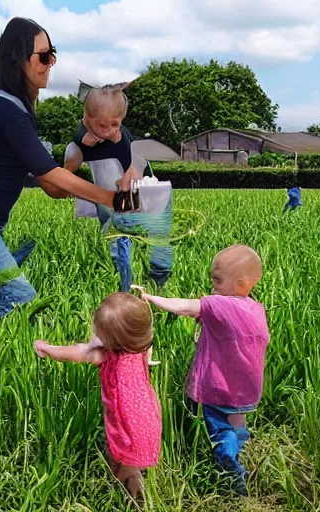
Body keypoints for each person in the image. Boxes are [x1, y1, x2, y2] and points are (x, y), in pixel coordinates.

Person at [0, 18, 135, 318]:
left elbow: (53, 186)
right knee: (20, 300)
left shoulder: (9, 105)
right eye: (43, 56)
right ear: (17, 58)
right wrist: (108, 198)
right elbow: (50, 175)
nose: (50, 63)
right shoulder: (4, 107)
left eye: (52, 54)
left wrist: (78, 162)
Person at [137, 245, 270, 495]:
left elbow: (185, 307)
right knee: (237, 425)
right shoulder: (255, 308)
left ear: (240, 284)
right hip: (247, 392)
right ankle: (243, 453)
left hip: (220, 389)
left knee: (220, 430)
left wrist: (151, 299)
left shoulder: (221, 304)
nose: (213, 286)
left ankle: (231, 469)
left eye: (217, 281)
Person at [34, 292, 161, 502]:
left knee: (121, 469)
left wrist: (47, 349)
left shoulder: (107, 356)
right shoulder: (139, 349)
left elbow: (80, 352)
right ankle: (133, 477)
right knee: (128, 462)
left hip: (130, 430)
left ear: (110, 341)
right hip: (147, 421)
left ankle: (126, 495)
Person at [65, 83, 170, 292]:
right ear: (87, 120)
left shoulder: (123, 139)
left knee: (146, 231)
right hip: (107, 194)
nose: (110, 131)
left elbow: (140, 160)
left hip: (136, 191)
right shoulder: (79, 143)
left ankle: (156, 277)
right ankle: (121, 276)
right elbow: (70, 164)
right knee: (113, 229)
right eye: (103, 126)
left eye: (115, 124)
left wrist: (134, 173)